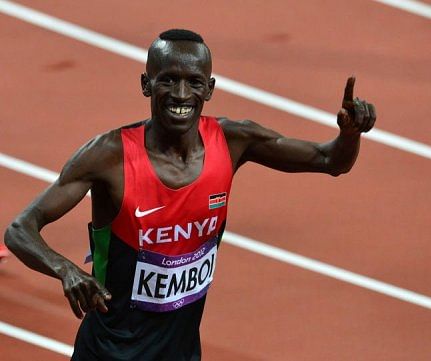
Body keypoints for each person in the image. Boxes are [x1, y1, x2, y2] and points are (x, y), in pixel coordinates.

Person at [4, 29, 376, 360]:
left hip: (180, 351)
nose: (181, 95)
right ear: (146, 84)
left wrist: (350, 134)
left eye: (194, 83)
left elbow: (331, 160)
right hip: (109, 352)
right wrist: (65, 270)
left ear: (209, 89)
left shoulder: (233, 141)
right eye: (168, 80)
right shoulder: (108, 157)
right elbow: (20, 230)